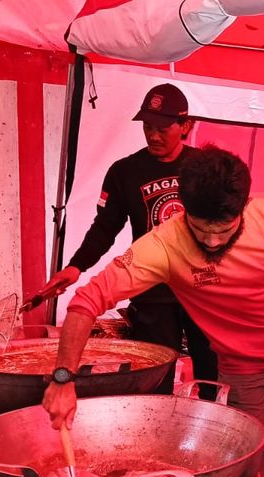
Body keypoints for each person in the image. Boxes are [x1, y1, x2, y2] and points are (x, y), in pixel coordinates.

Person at [42, 145, 264, 477]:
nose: (212, 241)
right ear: (184, 210)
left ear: (244, 206)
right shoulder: (163, 246)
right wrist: (63, 377)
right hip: (242, 370)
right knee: (242, 468)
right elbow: (86, 302)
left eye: (224, 229)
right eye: (200, 228)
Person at [39, 83, 217, 393]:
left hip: (203, 288)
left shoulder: (206, 168)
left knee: (213, 372)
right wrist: (76, 266)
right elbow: (106, 226)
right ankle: (156, 435)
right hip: (152, 293)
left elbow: (226, 220)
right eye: (148, 126)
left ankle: (214, 433)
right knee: (154, 377)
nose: (153, 134)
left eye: (162, 127)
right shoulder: (125, 172)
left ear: (186, 125)